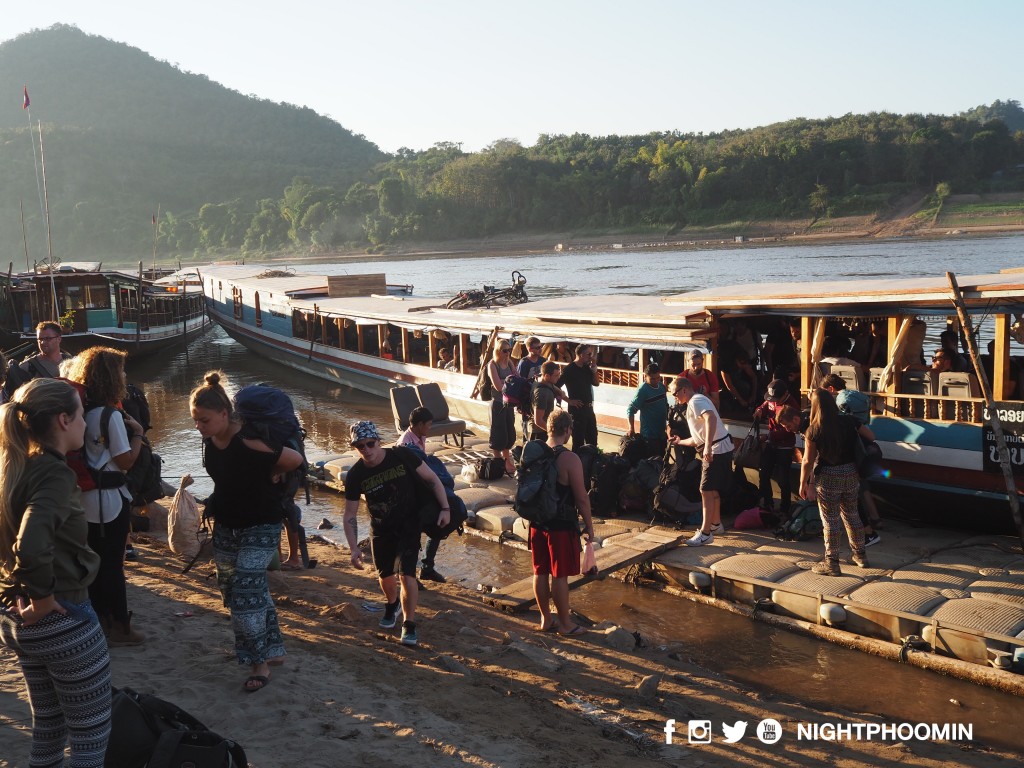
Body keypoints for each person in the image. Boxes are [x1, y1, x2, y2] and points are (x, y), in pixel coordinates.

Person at [0, 378, 111, 768]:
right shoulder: (55, 474)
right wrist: (44, 596)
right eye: (81, 415)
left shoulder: (13, 467)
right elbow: (31, 543)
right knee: (91, 736)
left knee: (48, 728)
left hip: (19, 618)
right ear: (64, 420)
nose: (86, 423)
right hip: (62, 614)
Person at [190, 371, 304, 691]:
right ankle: (275, 649)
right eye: (196, 420)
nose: (199, 426)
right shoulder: (210, 440)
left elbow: (294, 459)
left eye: (205, 420)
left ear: (225, 414)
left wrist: (272, 472)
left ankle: (259, 664)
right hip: (226, 524)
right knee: (235, 590)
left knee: (245, 596)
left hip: (262, 523)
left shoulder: (250, 439)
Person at [63, 347, 147, 646]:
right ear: (112, 377)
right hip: (109, 500)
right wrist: (137, 433)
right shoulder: (111, 415)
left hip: (85, 497)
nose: (125, 376)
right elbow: (125, 461)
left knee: (94, 564)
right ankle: (121, 628)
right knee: (113, 565)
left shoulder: (83, 411)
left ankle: (99, 623)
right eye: (121, 371)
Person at [343, 421, 449, 647]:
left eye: (371, 443)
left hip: (410, 525)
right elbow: (350, 515)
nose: (367, 450)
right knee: (385, 576)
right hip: (381, 529)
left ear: (379, 441)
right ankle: (392, 604)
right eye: (360, 446)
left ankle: (409, 625)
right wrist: (353, 548)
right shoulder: (355, 475)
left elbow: (432, 479)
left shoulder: (401, 456)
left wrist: (445, 508)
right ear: (355, 448)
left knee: (407, 575)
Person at [530, 410, 594, 636]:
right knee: (559, 575)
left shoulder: (535, 452)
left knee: (540, 571)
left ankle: (546, 619)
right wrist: (589, 525)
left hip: (537, 522)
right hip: (560, 524)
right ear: (567, 430)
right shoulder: (569, 458)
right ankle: (566, 624)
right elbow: (581, 497)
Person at [799, 388, 875, 576]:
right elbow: (871, 437)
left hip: (827, 477)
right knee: (852, 514)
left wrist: (803, 483)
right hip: (850, 472)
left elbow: (808, 461)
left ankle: (832, 563)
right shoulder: (849, 421)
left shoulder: (813, 429)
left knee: (831, 520)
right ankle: (860, 555)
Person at [668, 377, 733, 546]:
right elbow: (698, 439)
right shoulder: (695, 402)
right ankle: (716, 524)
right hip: (720, 447)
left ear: (683, 390)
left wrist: (708, 447)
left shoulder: (696, 400)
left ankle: (705, 533)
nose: (674, 397)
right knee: (711, 490)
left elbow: (710, 418)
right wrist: (680, 441)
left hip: (716, 449)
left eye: (675, 393)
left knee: (705, 489)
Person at [397, 406, 447, 583]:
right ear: (419, 425)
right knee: (413, 534)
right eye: (428, 425)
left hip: (422, 489)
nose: (430, 428)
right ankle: (410, 574)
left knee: (438, 526)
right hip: (410, 494)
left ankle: (427, 567)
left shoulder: (420, 436)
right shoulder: (405, 445)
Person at [753, 379, 799, 520]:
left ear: (785, 394)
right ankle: (767, 503)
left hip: (784, 446)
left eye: (777, 399)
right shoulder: (772, 401)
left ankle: (785, 508)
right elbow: (765, 405)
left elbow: (789, 431)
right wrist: (760, 411)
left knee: (783, 479)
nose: (774, 401)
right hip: (771, 443)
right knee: (764, 473)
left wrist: (768, 435)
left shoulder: (792, 405)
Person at [3, 321, 73, 399]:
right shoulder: (28, 367)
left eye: (48, 338)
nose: (43, 342)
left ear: (59, 339)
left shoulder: (73, 362)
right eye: (40, 339)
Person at [556, 344, 600, 451]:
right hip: (577, 410)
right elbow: (556, 386)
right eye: (589, 354)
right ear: (581, 355)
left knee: (593, 440)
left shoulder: (586, 368)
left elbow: (596, 383)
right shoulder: (569, 369)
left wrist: (594, 368)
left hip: (589, 409)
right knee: (578, 441)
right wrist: (568, 401)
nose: (591, 357)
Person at [487, 340, 518, 474]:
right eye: (505, 350)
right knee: (498, 433)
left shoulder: (510, 363)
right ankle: (499, 460)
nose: (508, 353)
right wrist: (508, 381)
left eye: (509, 350)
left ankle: (506, 460)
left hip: (509, 402)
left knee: (509, 432)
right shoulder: (492, 364)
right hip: (498, 403)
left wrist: (506, 381)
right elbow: (498, 387)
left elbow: (516, 379)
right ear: (499, 351)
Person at [626, 362, 669, 459]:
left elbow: (665, 406)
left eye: (658, 378)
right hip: (649, 436)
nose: (656, 381)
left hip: (661, 434)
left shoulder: (662, 387)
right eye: (652, 379)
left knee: (661, 460)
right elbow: (630, 409)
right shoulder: (643, 390)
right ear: (646, 377)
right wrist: (631, 428)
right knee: (651, 462)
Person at [530, 361, 562, 442]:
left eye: (559, 374)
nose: (558, 377)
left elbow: (557, 390)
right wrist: (553, 434)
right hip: (540, 432)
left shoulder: (542, 381)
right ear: (547, 376)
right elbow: (538, 420)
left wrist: (569, 400)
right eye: (556, 375)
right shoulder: (542, 392)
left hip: (543, 430)